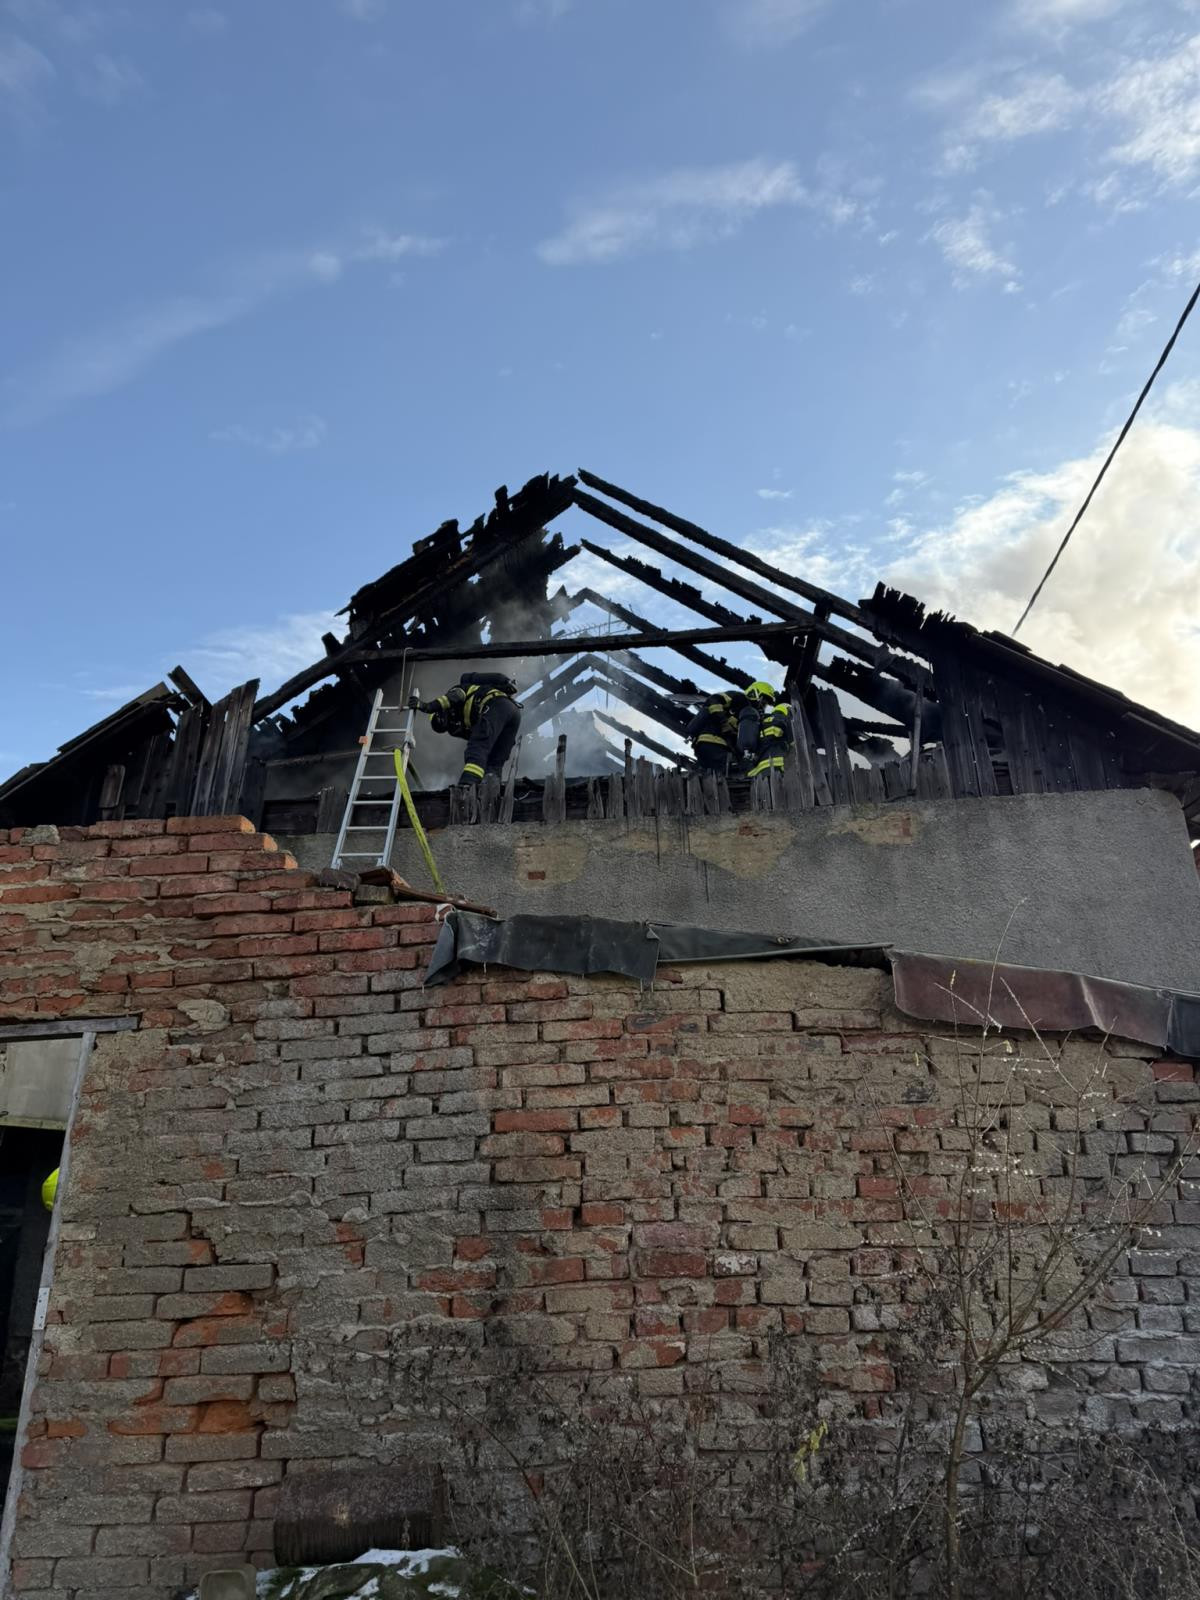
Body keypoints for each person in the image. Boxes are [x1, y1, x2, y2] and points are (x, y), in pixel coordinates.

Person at [417, 673, 521, 786]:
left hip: (497, 704)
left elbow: (456, 696)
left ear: (441, 711)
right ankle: (491, 788)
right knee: (495, 760)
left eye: (441, 721)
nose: (446, 724)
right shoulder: (455, 727)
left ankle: (468, 783)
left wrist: (428, 707)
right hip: (513, 715)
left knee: (477, 746)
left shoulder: (457, 691)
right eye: (442, 727)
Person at [739, 681, 794, 779]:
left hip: (756, 774)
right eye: (764, 702)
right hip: (776, 771)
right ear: (753, 693)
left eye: (766, 704)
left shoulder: (757, 722)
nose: (764, 707)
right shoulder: (749, 714)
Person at [686, 689, 747, 774]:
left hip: (704, 747)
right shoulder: (739, 698)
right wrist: (723, 722)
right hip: (715, 744)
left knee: (710, 775)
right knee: (733, 771)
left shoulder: (747, 716)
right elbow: (713, 699)